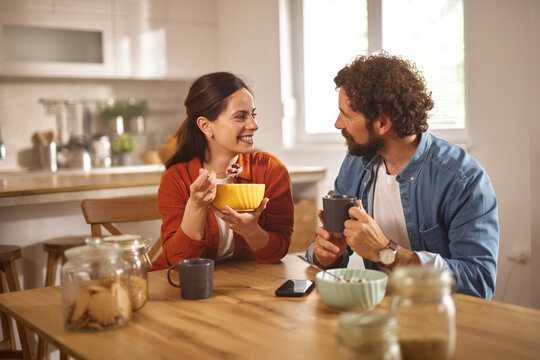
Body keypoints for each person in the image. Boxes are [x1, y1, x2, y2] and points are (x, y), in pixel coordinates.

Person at [306, 52, 499, 299]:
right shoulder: (355, 164)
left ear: (382, 123)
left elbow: (478, 282)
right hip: (378, 309)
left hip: (439, 318)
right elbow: (332, 252)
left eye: (346, 114)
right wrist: (326, 255)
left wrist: (386, 252)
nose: (337, 124)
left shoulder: (462, 179)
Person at [152, 72, 294, 270]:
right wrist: (196, 206)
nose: (254, 125)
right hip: (181, 287)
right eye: (240, 117)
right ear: (205, 125)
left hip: (242, 287)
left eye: (252, 114)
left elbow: (277, 252)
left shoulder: (270, 170)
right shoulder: (177, 179)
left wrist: (252, 231)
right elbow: (179, 262)